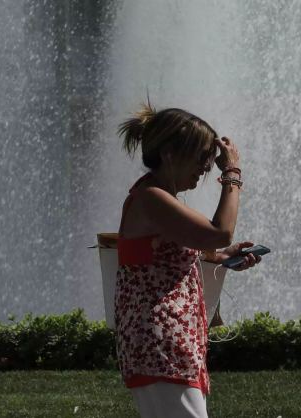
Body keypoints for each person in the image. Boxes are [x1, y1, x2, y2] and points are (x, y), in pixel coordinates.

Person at [114, 103, 261, 418]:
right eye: (201, 158)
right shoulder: (151, 198)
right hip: (160, 345)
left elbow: (193, 248)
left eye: (210, 160)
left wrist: (222, 257)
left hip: (167, 345)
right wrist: (232, 172)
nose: (206, 167)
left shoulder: (157, 198)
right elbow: (219, 232)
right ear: (170, 153)